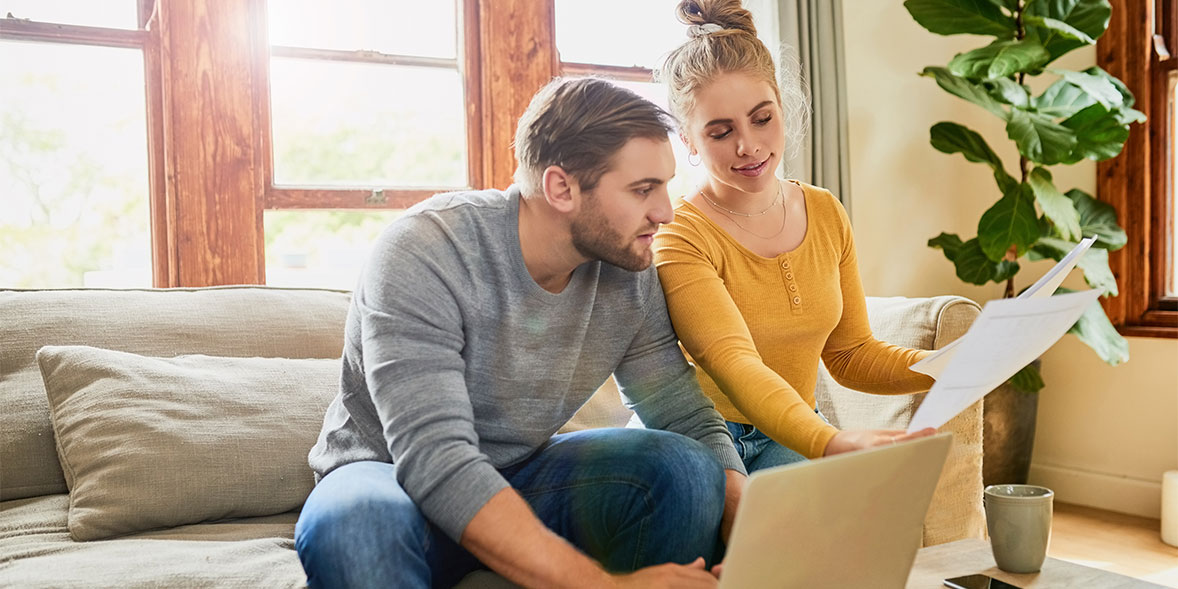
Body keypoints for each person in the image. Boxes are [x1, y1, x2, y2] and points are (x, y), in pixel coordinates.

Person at [294, 76, 747, 589]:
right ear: (561, 188)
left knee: (686, 469)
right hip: (391, 478)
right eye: (643, 190)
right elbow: (435, 459)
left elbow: (680, 412)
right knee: (357, 530)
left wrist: (746, 516)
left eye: (665, 185)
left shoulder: (628, 269)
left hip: (523, 478)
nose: (665, 212)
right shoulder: (426, 251)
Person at [654, 0, 937, 474]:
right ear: (688, 140)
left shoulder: (824, 211)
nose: (748, 146)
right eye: (720, 132)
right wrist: (830, 441)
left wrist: (950, 365)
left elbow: (851, 354)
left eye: (762, 119)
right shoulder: (680, 234)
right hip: (704, 438)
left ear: (782, 109)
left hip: (794, 429)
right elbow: (734, 362)